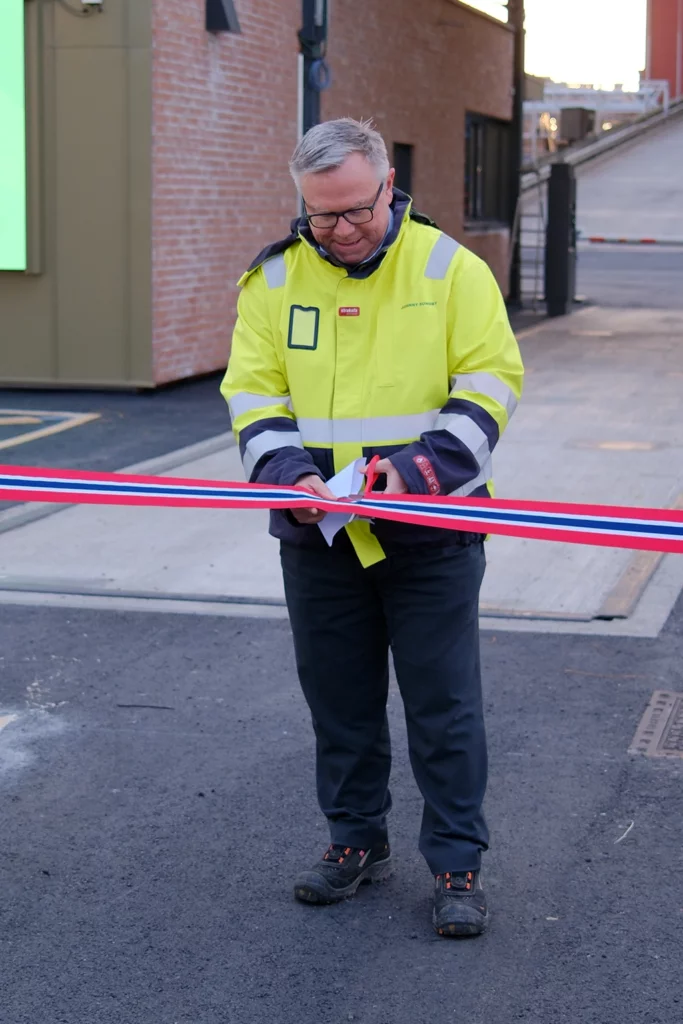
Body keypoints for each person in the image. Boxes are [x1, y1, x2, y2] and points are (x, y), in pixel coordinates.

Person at [221, 118, 524, 937]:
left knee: (443, 706)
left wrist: (414, 472)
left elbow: (491, 381)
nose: (344, 230)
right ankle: (355, 843)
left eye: (358, 210)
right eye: (324, 216)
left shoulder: (449, 268)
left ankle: (457, 862)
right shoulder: (274, 280)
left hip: (431, 529)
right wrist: (291, 478)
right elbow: (254, 393)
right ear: (301, 205)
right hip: (318, 532)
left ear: (388, 184)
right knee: (339, 702)